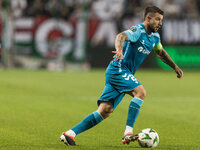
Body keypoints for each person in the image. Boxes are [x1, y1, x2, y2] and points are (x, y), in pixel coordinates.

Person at [60, 6, 183, 146]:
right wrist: (119, 50)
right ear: (148, 18)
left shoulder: (155, 37)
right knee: (141, 92)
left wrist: (175, 67)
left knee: (105, 111)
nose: (160, 23)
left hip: (122, 74)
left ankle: (70, 134)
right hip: (118, 69)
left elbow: (161, 53)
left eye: (161, 20)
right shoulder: (138, 31)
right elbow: (121, 36)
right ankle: (128, 133)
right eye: (157, 19)